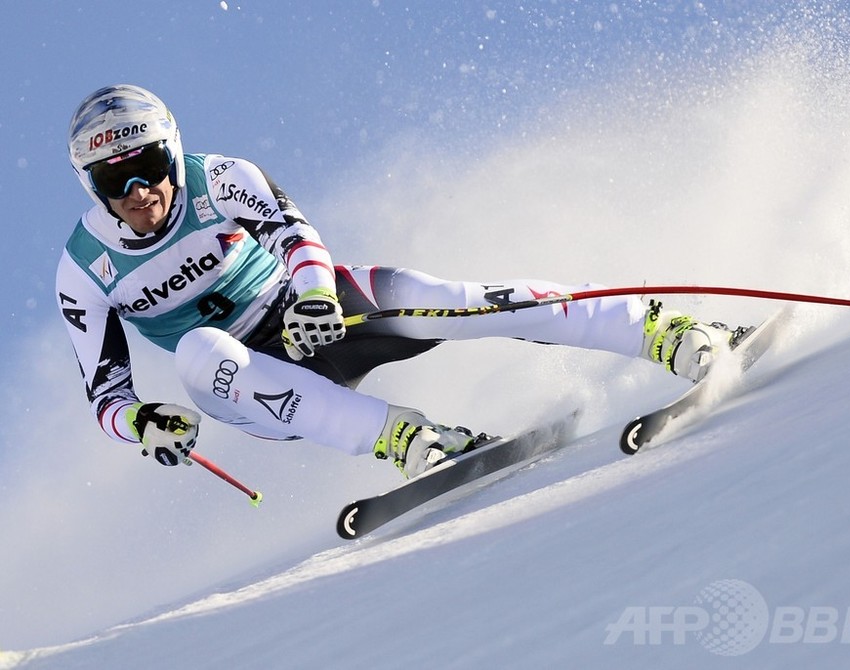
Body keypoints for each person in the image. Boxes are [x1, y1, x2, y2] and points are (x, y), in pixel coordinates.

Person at [56, 84, 749, 479]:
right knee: (197, 353)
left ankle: (666, 331)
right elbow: (106, 394)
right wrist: (142, 425)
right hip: (251, 379)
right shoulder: (84, 268)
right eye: (115, 180)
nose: (139, 190)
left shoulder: (221, 178)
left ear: (172, 150)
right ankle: (411, 443)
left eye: (148, 164)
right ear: (94, 186)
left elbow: (296, 235)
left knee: (451, 300)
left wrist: (316, 295)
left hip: (315, 312)